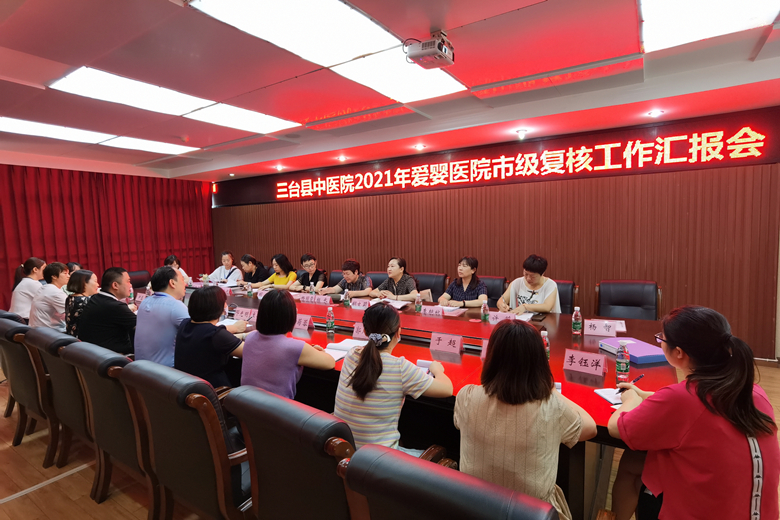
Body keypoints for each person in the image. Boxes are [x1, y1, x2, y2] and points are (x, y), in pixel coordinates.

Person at [607, 306, 780, 520]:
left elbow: (616, 428)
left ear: (679, 353)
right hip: (754, 511)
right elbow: (697, 412)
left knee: (635, 460)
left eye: (661, 338)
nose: (660, 342)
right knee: (634, 461)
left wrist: (630, 398)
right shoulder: (753, 391)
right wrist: (649, 396)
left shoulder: (681, 398)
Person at [454, 320, 596, 520]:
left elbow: (459, 422)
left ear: (490, 356)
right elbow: (590, 428)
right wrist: (551, 390)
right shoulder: (551, 406)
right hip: (534, 513)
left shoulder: (466, 397)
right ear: (539, 362)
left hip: (474, 510)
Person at [334, 302, 453, 452]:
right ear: (398, 332)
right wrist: (438, 371)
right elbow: (447, 389)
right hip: (378, 459)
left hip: (343, 451)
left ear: (365, 331)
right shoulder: (400, 367)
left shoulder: (352, 353)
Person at [241, 291, 335, 399]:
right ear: (291, 316)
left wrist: (308, 351)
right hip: (277, 408)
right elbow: (330, 363)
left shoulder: (250, 337)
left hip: (245, 405)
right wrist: (314, 352)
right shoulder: (294, 347)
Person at [174, 286, 248, 388]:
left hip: (186, 385)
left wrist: (242, 335)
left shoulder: (185, 324)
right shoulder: (215, 334)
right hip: (214, 390)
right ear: (220, 307)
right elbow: (249, 351)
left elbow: (207, 337)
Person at [134, 267, 189, 367]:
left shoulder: (144, 302)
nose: (185, 284)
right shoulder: (175, 306)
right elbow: (197, 333)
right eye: (182, 280)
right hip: (167, 371)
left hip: (141, 369)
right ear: (172, 283)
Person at [78, 268, 138, 355]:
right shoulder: (115, 306)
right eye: (128, 281)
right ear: (115, 285)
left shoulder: (96, 298)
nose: (130, 285)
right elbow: (143, 326)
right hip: (112, 356)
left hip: (91, 353)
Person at [28, 262, 70, 332]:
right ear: (54, 276)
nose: (68, 276)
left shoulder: (44, 288)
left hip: (38, 331)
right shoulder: (55, 292)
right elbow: (73, 312)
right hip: (50, 332)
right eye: (65, 273)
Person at [65, 269, 98, 338]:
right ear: (84, 283)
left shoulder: (70, 298)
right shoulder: (85, 300)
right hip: (82, 340)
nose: (98, 285)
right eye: (95, 281)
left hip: (71, 337)